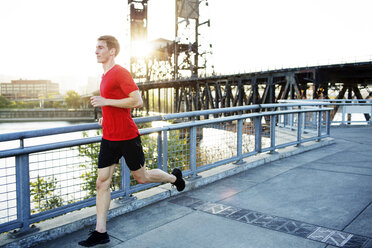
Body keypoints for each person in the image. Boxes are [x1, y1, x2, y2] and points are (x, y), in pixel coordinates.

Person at [78, 35, 185, 247]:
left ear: (112, 51)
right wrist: (106, 115)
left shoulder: (120, 72)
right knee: (102, 183)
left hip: (127, 136)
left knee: (142, 177)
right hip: (109, 136)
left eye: (100, 48)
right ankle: (101, 232)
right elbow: (117, 105)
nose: (96, 51)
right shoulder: (104, 75)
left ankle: (174, 178)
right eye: (96, 48)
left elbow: (137, 100)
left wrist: (105, 101)